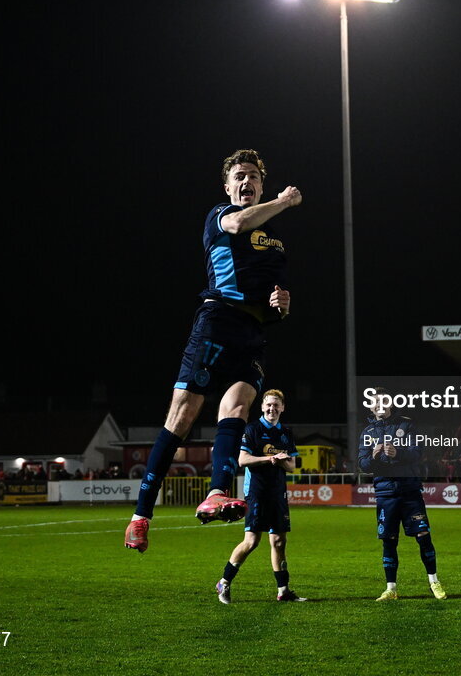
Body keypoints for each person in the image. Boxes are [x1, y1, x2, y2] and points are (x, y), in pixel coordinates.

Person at [124, 150, 302, 553]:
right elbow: (240, 222)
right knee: (182, 416)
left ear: (260, 183)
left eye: (254, 176)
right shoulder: (221, 216)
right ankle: (140, 516)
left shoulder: (274, 244)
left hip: (253, 333)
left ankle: (217, 492)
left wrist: (281, 304)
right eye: (240, 176)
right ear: (228, 186)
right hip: (217, 320)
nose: (247, 182)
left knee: (237, 408)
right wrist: (285, 200)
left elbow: (273, 298)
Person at [215, 390, 306, 603]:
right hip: (256, 491)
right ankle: (224, 582)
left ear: (282, 408)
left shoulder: (286, 432)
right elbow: (243, 460)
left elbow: (292, 466)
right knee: (252, 541)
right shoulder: (252, 429)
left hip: (277, 492)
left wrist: (281, 460)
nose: (272, 409)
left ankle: (283, 591)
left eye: (276, 405)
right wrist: (270, 458)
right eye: (268, 405)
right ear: (262, 407)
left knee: (279, 542)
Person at [357, 390, 446, 601]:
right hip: (385, 494)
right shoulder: (367, 433)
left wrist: (399, 452)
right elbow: (363, 465)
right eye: (375, 402)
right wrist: (374, 456)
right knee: (389, 540)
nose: (379, 404)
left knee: (423, 536)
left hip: (410, 492)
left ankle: (434, 582)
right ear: (370, 407)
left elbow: (418, 452)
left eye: (383, 401)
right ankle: (391, 589)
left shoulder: (406, 426)